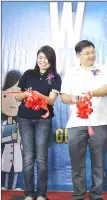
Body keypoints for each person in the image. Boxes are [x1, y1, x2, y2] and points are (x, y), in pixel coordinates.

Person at [60, 40, 107, 200]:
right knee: (77, 161)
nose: (91, 56)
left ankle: (96, 194)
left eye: (93, 52)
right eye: (87, 53)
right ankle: (78, 194)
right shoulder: (70, 73)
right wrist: (75, 98)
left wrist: (91, 93)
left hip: (99, 121)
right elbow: (63, 97)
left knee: (98, 161)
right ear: (78, 55)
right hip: (76, 123)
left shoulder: (103, 70)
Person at [15, 46, 62, 200]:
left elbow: (51, 100)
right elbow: (17, 97)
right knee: (28, 157)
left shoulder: (55, 77)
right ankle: (28, 193)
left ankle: (41, 194)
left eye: (46, 58)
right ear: (37, 58)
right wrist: (26, 94)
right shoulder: (28, 74)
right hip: (24, 119)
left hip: (43, 120)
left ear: (51, 60)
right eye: (40, 57)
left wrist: (37, 94)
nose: (43, 60)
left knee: (41, 158)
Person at [1, 70, 23, 191]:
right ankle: (4, 186)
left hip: (18, 151)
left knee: (16, 169)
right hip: (7, 150)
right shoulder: (6, 122)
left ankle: (16, 186)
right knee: (6, 168)